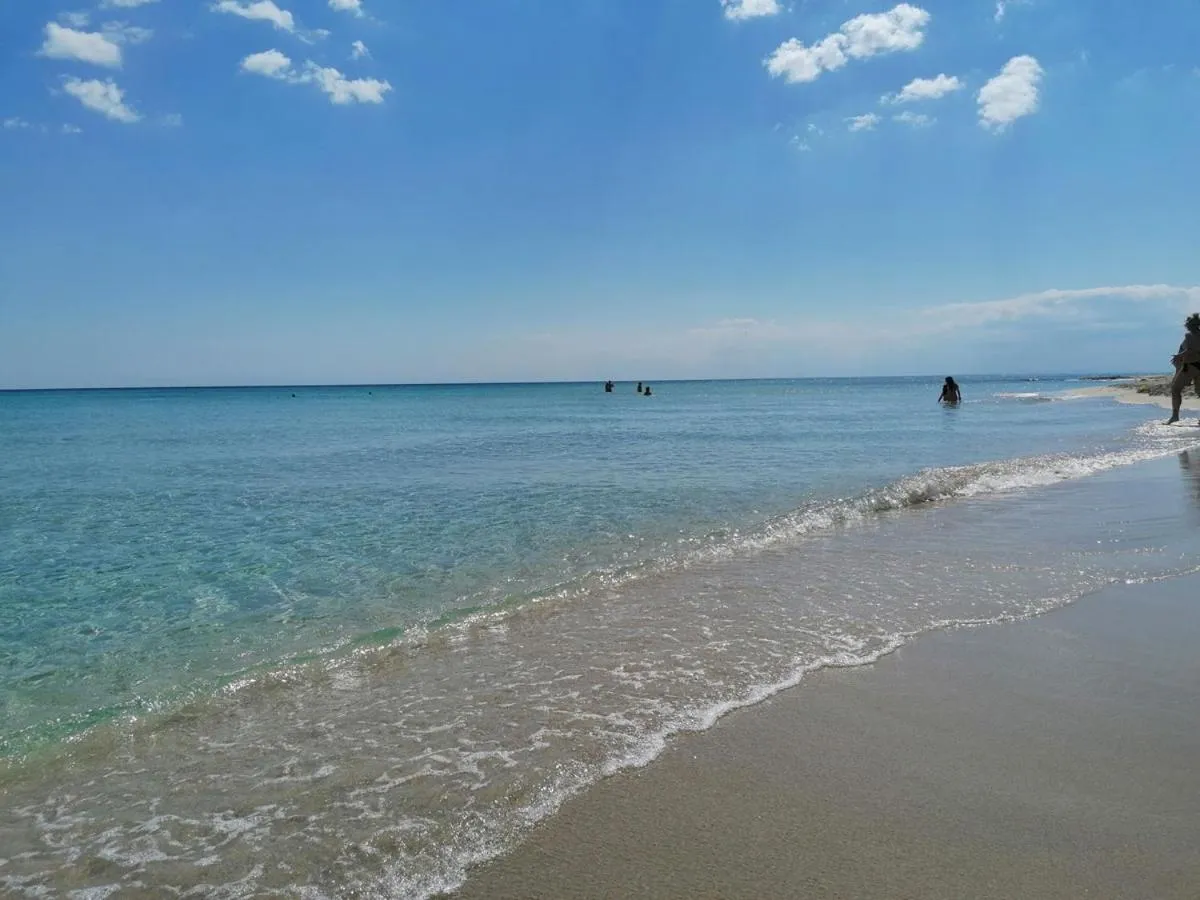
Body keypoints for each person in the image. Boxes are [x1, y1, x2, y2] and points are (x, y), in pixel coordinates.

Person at [1167, 313, 1200, 424]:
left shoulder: (1189, 335)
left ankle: (1175, 416)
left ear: (1189, 325)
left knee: (1175, 389)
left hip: (1191, 366)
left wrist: (1179, 356)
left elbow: (1191, 350)